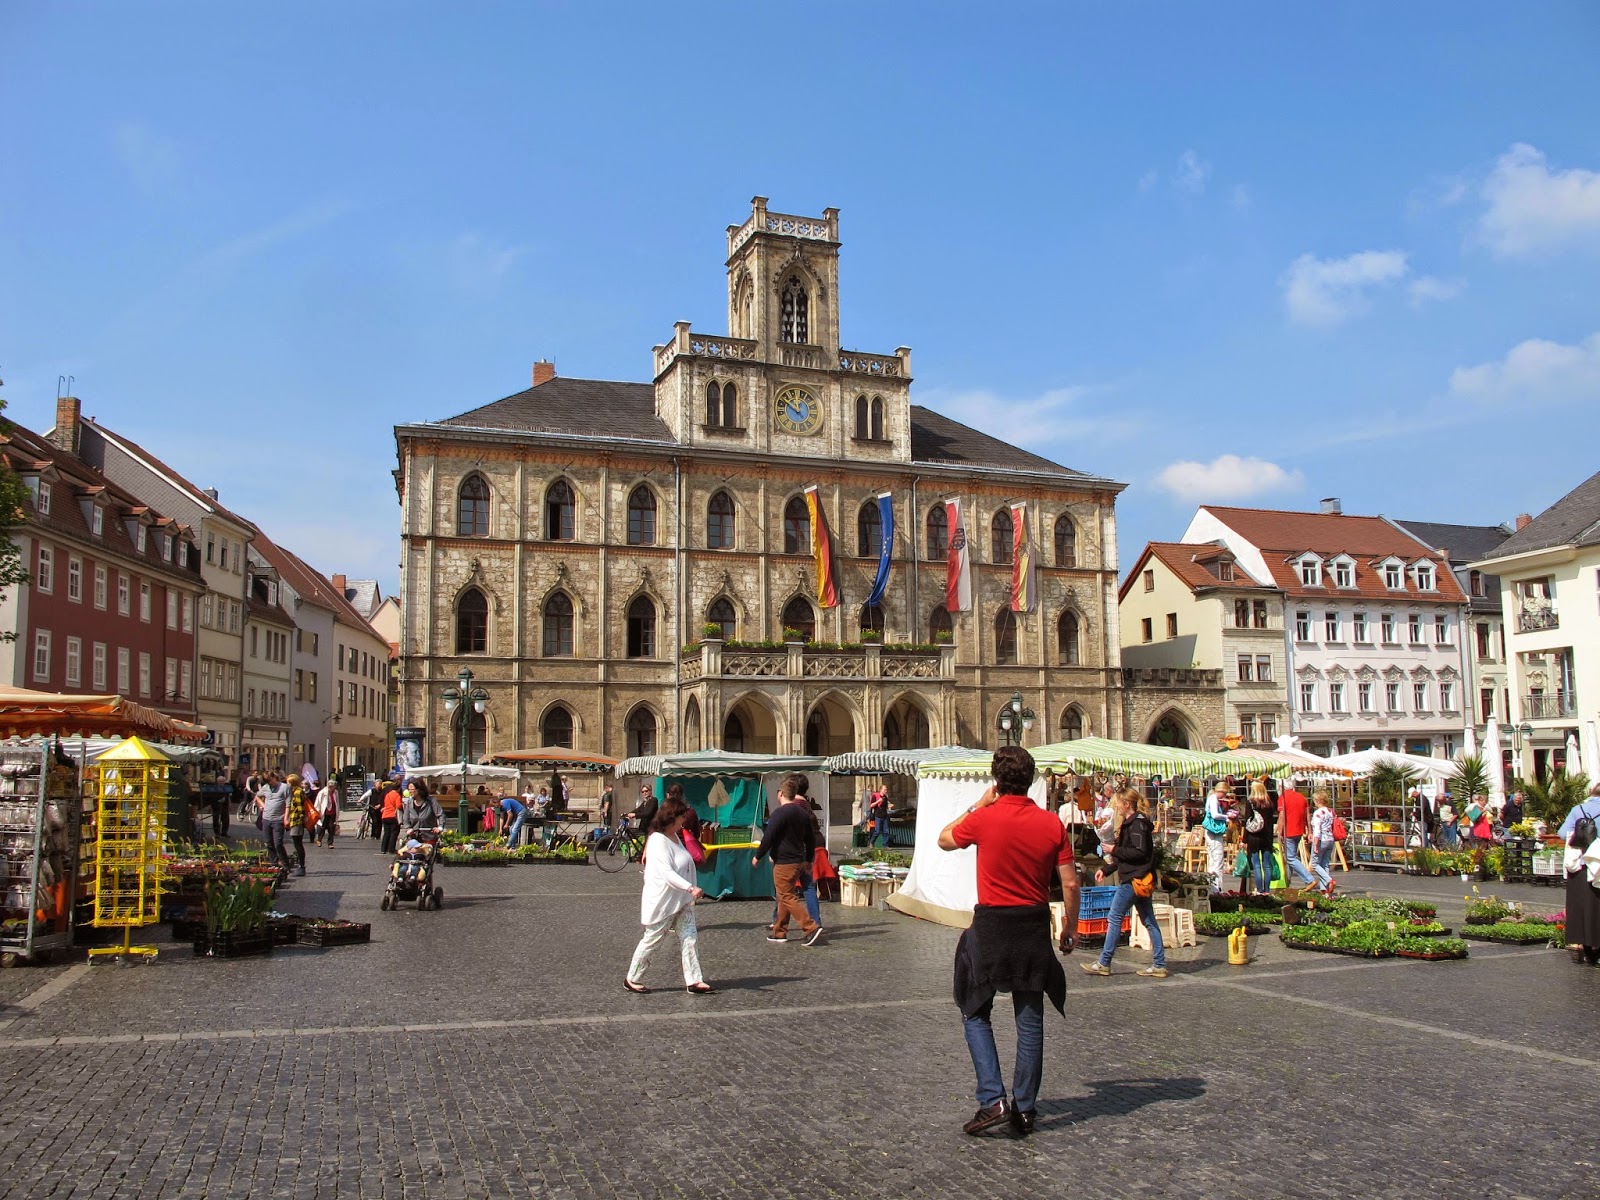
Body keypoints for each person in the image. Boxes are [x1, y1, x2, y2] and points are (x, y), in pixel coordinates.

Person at [938, 744, 1078, 1138]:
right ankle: (1025, 1108)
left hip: (993, 927)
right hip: (1033, 927)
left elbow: (944, 839)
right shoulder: (1052, 824)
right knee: (1030, 1020)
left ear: (997, 781)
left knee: (973, 1009)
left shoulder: (985, 818)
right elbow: (1070, 883)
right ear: (1031, 780)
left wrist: (979, 804)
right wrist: (1070, 926)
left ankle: (992, 1098)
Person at [623, 796, 712, 994]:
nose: (684, 820)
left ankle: (694, 980)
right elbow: (666, 872)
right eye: (682, 817)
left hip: (681, 901)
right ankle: (632, 978)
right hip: (664, 902)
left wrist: (689, 891)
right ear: (671, 818)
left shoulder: (675, 837)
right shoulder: (658, 840)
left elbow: (685, 863)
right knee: (652, 940)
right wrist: (690, 888)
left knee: (690, 938)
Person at [1081, 788, 1166, 979]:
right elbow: (1126, 855)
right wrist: (1107, 869)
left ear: (1127, 805)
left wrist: (1114, 849)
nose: (1116, 807)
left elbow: (1139, 852)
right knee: (1149, 920)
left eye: (1118, 804)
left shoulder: (1136, 825)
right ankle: (1159, 964)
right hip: (1140, 877)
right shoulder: (1134, 823)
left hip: (1133, 879)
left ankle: (1104, 962)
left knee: (1114, 917)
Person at [752, 774, 823, 945]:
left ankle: (810, 927)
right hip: (799, 860)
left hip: (785, 861)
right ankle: (780, 932)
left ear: (781, 794)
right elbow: (810, 839)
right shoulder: (802, 813)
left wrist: (758, 856)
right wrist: (809, 859)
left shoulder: (779, 814)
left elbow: (768, 837)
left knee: (786, 896)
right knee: (785, 894)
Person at [1562, 810, 1600, 966]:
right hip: (1597, 866)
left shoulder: (1578, 810)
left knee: (1582, 911)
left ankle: (1588, 951)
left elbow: (1562, 833)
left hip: (1580, 868)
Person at [1275, 776, 1317, 891]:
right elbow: (1308, 815)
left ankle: (1309, 879)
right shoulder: (1301, 797)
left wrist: (1279, 831)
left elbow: (1282, 816)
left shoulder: (1283, 798)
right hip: (1299, 830)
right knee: (1290, 856)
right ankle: (1287, 882)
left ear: (1281, 787)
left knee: (1290, 858)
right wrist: (1309, 830)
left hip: (1289, 831)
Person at [1243, 780, 1278, 895]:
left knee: (1256, 865)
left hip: (1254, 837)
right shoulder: (1269, 803)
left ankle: (1259, 890)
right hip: (1266, 837)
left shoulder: (1251, 802)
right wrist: (1271, 840)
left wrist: (1244, 840)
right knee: (1267, 865)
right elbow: (1270, 823)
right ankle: (1267, 890)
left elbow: (1247, 822)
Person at [1201, 781, 1234, 893]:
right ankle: (1217, 889)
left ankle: (1211, 888)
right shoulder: (1214, 799)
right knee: (1218, 860)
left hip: (1211, 833)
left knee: (1212, 861)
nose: (1224, 796)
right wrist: (1227, 817)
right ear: (1220, 791)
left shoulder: (1211, 798)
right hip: (1214, 833)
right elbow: (1215, 815)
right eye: (1224, 793)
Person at [258, 771, 291, 869]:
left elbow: (288, 804)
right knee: (269, 843)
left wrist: (286, 818)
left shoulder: (284, 787)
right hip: (266, 819)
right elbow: (257, 796)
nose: (270, 783)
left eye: (270, 781)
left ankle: (286, 865)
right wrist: (263, 805)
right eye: (267, 782)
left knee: (278, 844)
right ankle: (274, 863)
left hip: (278, 819)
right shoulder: (266, 787)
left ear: (274, 777)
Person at [1307, 790, 1337, 895]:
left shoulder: (1318, 813)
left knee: (1315, 863)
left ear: (1318, 800)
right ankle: (1324, 890)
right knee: (1325, 864)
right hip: (1330, 839)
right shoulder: (1330, 811)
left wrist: (1315, 844)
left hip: (1321, 840)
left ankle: (1329, 880)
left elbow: (1317, 830)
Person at [284, 773, 310, 876]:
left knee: (298, 844)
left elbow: (300, 808)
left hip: (297, 821)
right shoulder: (293, 791)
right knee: (297, 843)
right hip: (294, 820)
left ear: (292, 783)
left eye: (288, 782)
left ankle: (301, 866)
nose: (286, 784)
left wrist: (301, 820)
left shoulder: (297, 792)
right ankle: (301, 865)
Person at [379, 779, 403, 854]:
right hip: (393, 816)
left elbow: (386, 804)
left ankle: (383, 849)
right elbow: (398, 806)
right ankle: (391, 849)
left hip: (385, 815)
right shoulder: (397, 795)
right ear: (399, 788)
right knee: (394, 833)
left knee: (386, 833)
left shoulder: (388, 795)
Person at [313, 780, 339, 848]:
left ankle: (330, 843)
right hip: (324, 813)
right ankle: (319, 840)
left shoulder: (336, 792)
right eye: (329, 786)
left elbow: (337, 803)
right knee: (322, 827)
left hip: (333, 812)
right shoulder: (322, 792)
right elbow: (318, 802)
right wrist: (317, 811)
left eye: (332, 786)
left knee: (331, 828)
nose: (331, 787)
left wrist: (337, 813)